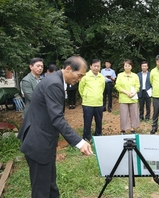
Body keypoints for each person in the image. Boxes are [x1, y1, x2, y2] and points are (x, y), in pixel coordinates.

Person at [17, 56, 93, 198]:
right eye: (79, 75)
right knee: (41, 191)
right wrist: (80, 142)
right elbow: (57, 118)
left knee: (50, 186)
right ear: (69, 69)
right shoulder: (54, 84)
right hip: (38, 143)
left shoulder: (55, 80)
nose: (80, 79)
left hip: (44, 141)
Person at [79, 59, 105, 141]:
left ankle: (98, 136)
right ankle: (87, 138)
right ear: (91, 66)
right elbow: (81, 88)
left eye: (98, 66)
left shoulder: (101, 77)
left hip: (98, 103)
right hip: (88, 104)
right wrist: (86, 96)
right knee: (87, 122)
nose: (96, 68)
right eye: (95, 66)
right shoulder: (85, 76)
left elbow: (102, 88)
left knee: (99, 122)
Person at [115, 59, 140, 134]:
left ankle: (133, 128)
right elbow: (117, 86)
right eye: (126, 66)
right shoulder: (120, 75)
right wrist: (126, 92)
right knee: (124, 114)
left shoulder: (135, 76)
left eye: (129, 66)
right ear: (123, 67)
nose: (127, 67)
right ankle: (124, 129)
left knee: (134, 114)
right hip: (124, 98)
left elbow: (137, 86)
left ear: (131, 67)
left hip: (133, 97)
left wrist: (134, 92)